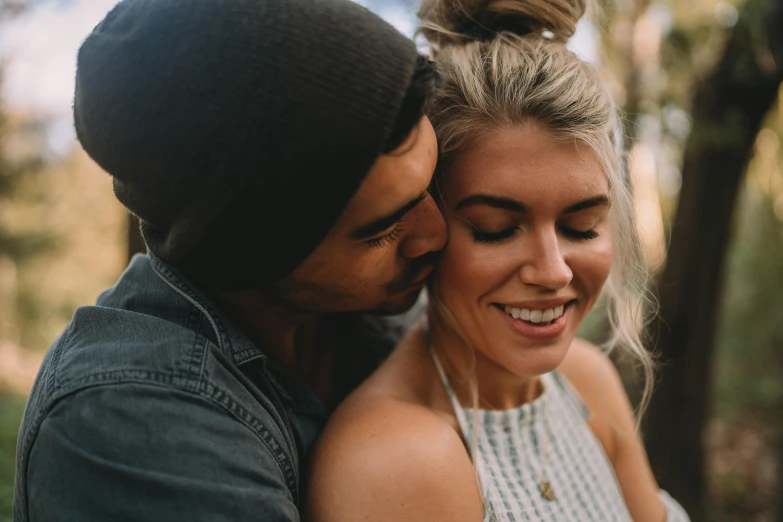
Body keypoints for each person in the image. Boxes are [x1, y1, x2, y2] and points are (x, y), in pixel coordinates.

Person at [13, 0, 447, 520]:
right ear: (252, 252)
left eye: (432, 186)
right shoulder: (135, 419)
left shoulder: (376, 318)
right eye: (383, 229)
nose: (438, 234)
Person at [305, 0, 691, 521]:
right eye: (495, 230)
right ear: (429, 230)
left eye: (582, 227)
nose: (553, 271)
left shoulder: (586, 378)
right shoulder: (399, 459)